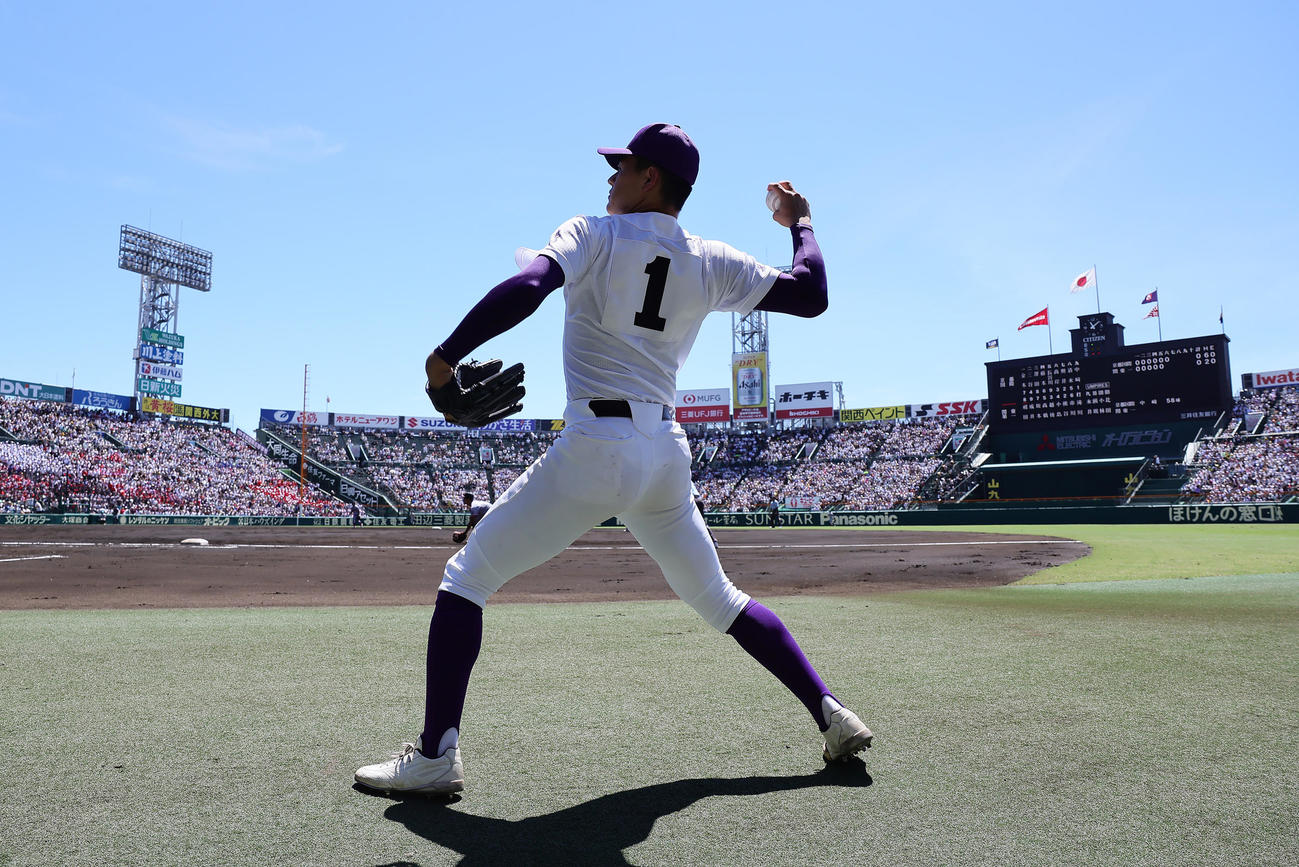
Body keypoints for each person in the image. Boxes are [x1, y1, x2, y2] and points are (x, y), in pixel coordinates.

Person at [355, 123, 872, 795]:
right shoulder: (710, 257)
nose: (610, 179)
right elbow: (811, 292)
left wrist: (443, 357)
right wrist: (799, 221)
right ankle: (832, 715)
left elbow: (531, 284)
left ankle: (433, 757)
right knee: (720, 598)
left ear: (650, 177)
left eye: (621, 167)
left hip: (597, 445)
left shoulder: (593, 233)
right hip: (662, 452)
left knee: (465, 579)